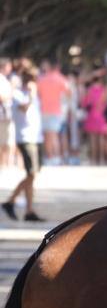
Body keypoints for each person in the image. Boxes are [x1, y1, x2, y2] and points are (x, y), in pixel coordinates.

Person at [2, 66, 45, 221]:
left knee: (32, 175)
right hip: (25, 138)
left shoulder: (33, 95)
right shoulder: (19, 95)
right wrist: (32, 95)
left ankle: (28, 210)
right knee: (31, 173)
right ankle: (11, 201)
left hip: (36, 137)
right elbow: (25, 109)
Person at [37, 60, 70, 165]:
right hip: (56, 110)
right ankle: (56, 157)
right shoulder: (60, 79)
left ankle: (49, 157)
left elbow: (38, 94)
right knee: (54, 135)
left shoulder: (42, 79)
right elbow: (69, 92)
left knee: (47, 135)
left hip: (43, 110)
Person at [81, 74, 107, 165]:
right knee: (101, 139)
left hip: (91, 116)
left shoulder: (89, 91)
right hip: (102, 116)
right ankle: (102, 159)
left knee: (92, 139)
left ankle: (93, 159)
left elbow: (84, 104)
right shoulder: (104, 91)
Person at [0, 58, 14, 169]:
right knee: (4, 140)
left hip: (6, 114)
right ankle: (3, 163)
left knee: (6, 140)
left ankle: (6, 163)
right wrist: (11, 95)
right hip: (2, 114)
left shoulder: (5, 79)